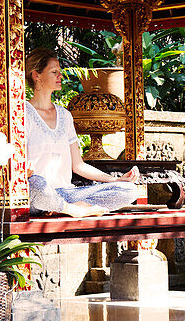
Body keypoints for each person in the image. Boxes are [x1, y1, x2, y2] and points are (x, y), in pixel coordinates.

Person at [24, 48, 141, 216]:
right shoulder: (23, 114)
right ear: (37, 75)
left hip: (66, 194)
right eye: (54, 72)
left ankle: (66, 208)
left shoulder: (64, 115)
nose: (60, 76)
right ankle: (73, 210)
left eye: (60, 72)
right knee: (37, 183)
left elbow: (78, 165)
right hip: (39, 195)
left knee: (128, 190)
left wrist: (115, 179)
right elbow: (19, 168)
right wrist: (22, 171)